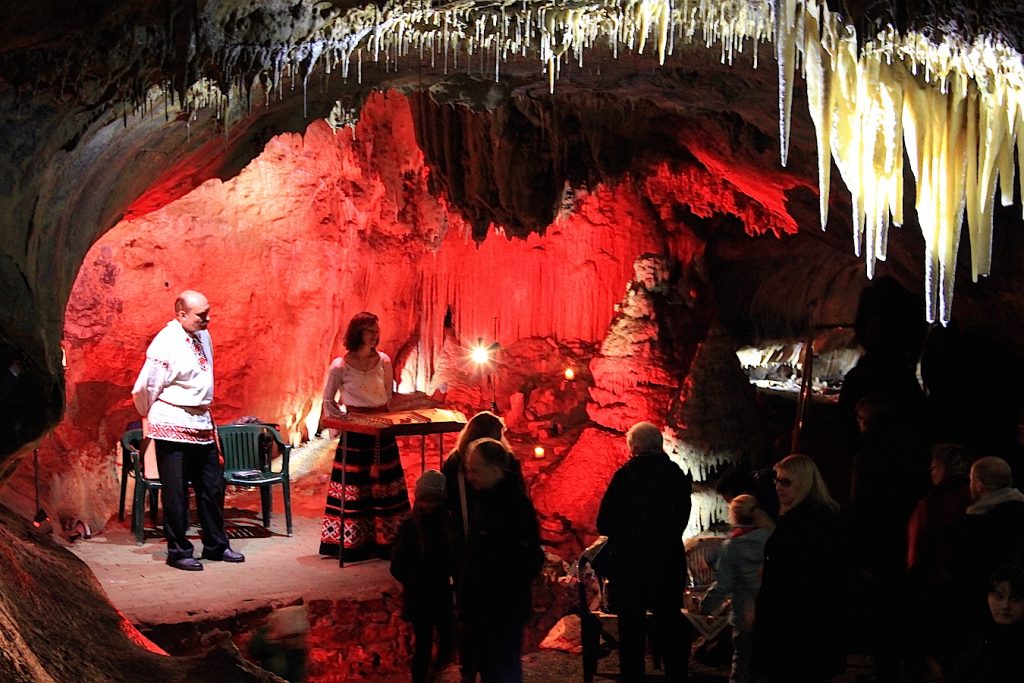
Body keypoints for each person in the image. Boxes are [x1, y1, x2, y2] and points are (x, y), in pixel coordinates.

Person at [131, 290, 243, 571]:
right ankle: (179, 551)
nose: (208, 319)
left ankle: (217, 545)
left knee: (212, 486)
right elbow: (145, 387)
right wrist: (152, 416)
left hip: (201, 422)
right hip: (172, 422)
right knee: (176, 490)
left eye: (208, 312)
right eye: (201, 315)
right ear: (181, 315)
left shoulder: (204, 335)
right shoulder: (165, 344)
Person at [596, 421, 693, 683]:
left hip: (630, 566)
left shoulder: (625, 475)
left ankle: (633, 678)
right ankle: (676, 675)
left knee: (631, 630)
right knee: (669, 623)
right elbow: (681, 519)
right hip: (667, 563)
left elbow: (603, 522)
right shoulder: (676, 475)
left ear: (635, 447)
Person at [319, 311, 410, 561]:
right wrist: (342, 425)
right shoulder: (340, 366)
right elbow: (328, 399)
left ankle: (388, 542)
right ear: (357, 333)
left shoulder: (385, 361)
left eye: (376, 330)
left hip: (381, 429)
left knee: (386, 486)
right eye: (369, 330)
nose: (375, 335)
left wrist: (386, 418)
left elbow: (388, 394)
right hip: (356, 434)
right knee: (355, 489)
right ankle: (353, 543)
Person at [442, 410, 524, 683]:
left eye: (475, 471)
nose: (472, 476)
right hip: (478, 558)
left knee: (471, 618)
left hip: (473, 555)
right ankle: (477, 667)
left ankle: (472, 668)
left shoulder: (455, 463)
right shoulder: (506, 472)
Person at [752, 453, 847, 682]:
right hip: (811, 624)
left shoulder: (802, 523)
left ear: (803, 483)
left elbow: (793, 574)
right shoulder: (819, 517)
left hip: (796, 626)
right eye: (777, 480)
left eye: (786, 482)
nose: (778, 487)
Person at [456, 437, 544, 683]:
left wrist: (499, 582)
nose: (469, 476)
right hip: (485, 608)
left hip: (501, 608)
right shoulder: (485, 500)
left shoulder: (513, 506)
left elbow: (529, 557)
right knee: (490, 668)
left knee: (503, 668)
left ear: (495, 470)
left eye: (475, 470)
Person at [699, 494, 774, 683]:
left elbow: (724, 583)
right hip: (770, 611)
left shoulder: (733, 546)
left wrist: (705, 606)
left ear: (732, 515)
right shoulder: (771, 538)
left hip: (744, 613)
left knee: (742, 666)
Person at [390, 470, 457, 683]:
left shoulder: (447, 525)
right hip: (420, 597)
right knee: (423, 645)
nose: (429, 505)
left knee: (448, 639)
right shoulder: (410, 527)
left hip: (441, 593)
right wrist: (417, 580)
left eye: (434, 500)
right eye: (426, 500)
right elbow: (397, 565)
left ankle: (436, 674)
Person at [950, 565, 1024, 683]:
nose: (1005, 606)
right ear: (988, 596)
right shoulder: (976, 635)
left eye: (1015, 599)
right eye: (999, 596)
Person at [247, 604, 311, 682]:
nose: (300, 640)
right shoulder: (266, 638)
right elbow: (252, 651)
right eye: (293, 636)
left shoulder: (297, 655)